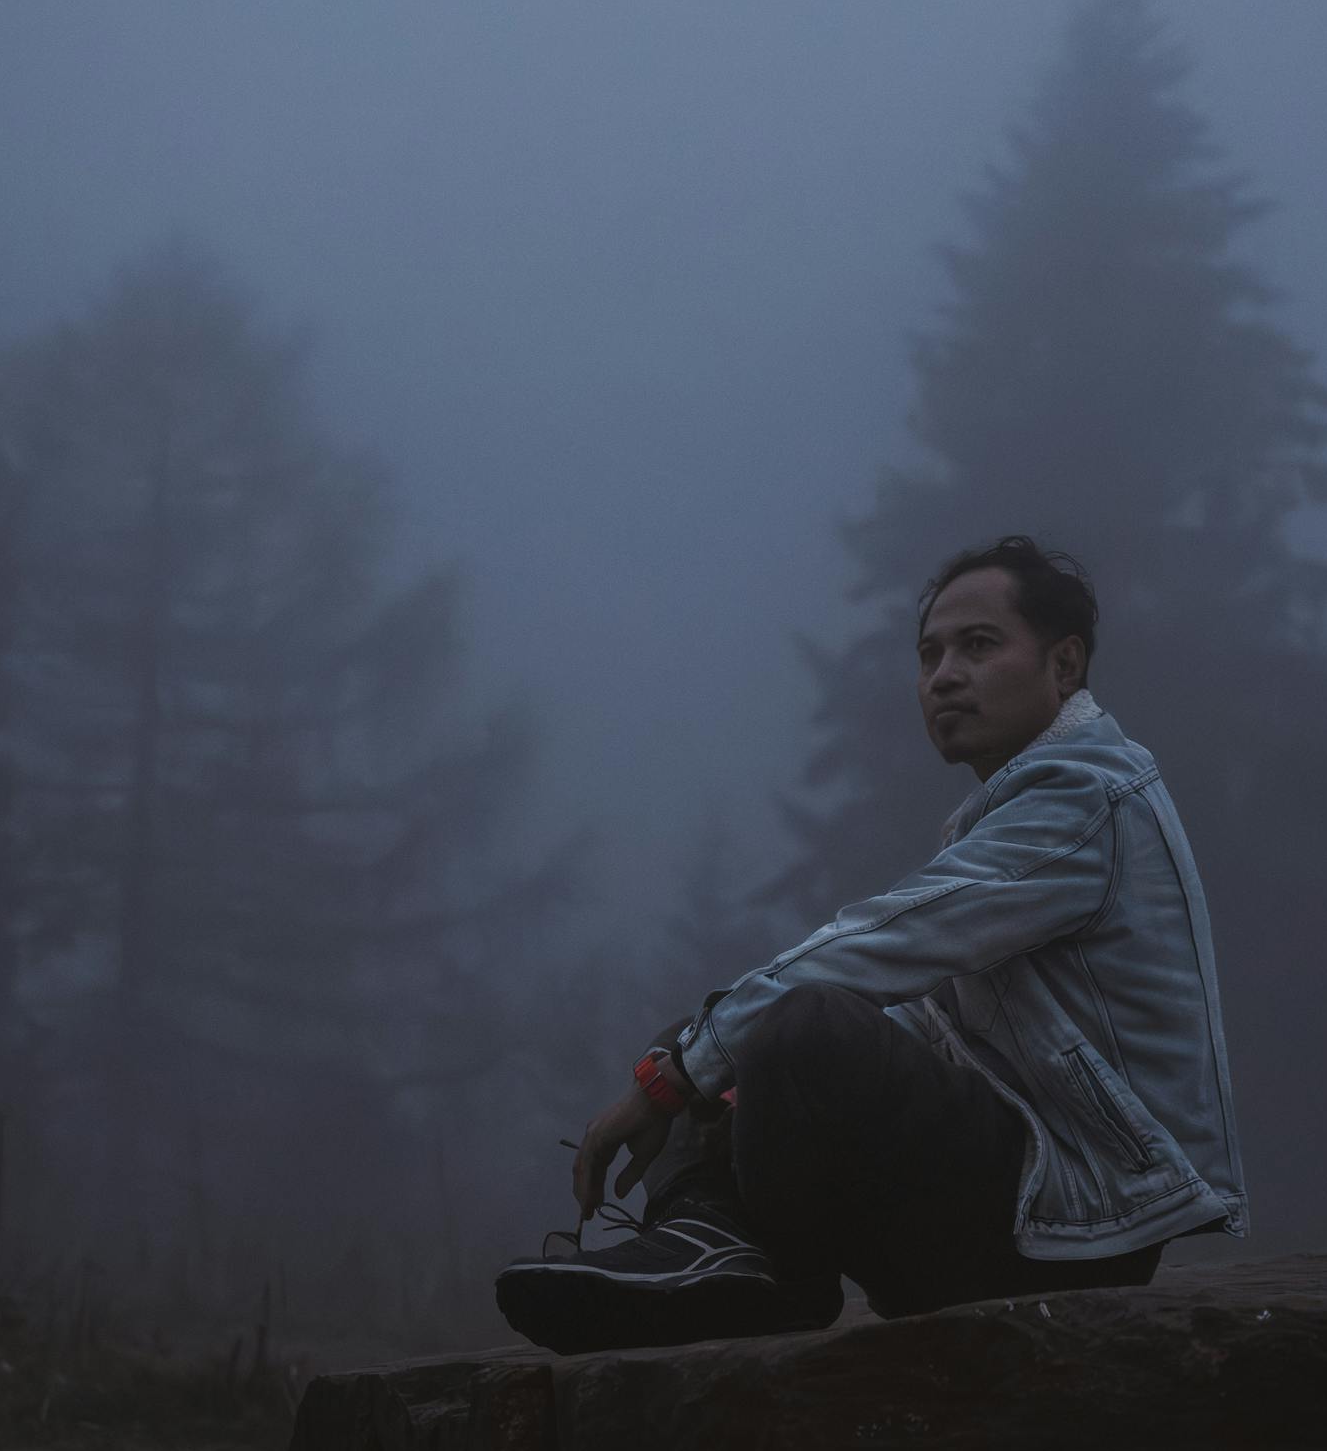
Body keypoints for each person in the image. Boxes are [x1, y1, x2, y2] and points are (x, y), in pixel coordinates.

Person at [495, 536, 1247, 1354]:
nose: (944, 675)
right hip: (1023, 1198)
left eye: (979, 645)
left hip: (1078, 1219)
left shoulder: (1086, 797)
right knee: (725, 1034)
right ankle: (717, 1246)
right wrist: (717, 1073)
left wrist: (674, 1080)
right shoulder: (1018, 811)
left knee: (794, 1025)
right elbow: (938, 1029)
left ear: (1065, 668)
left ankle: (759, 1265)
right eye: (929, 655)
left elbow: (888, 944)